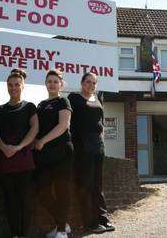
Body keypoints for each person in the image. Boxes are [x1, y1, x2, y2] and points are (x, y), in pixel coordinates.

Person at [0, 69, 39, 238]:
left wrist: (19, 147)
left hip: (24, 159)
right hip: (4, 159)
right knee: (10, 199)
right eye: (10, 85)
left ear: (23, 86)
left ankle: (24, 234)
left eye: (17, 84)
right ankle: (14, 234)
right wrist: (4, 147)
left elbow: (35, 128)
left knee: (25, 200)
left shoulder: (30, 107)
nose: (13, 88)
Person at [68, 72, 115, 234]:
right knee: (86, 185)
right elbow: (69, 122)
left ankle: (103, 218)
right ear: (82, 83)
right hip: (82, 147)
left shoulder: (98, 99)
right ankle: (90, 223)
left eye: (94, 83)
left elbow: (100, 124)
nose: (91, 85)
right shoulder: (73, 98)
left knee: (97, 185)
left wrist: (101, 141)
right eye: (88, 82)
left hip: (98, 147)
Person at [34, 69, 73, 238]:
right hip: (44, 155)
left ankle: (62, 231)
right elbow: (35, 127)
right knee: (43, 193)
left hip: (61, 152)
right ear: (45, 83)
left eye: (56, 81)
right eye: (49, 81)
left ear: (61, 84)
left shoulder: (63, 101)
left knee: (62, 191)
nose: (52, 84)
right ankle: (62, 223)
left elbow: (63, 125)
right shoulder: (40, 104)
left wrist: (42, 141)